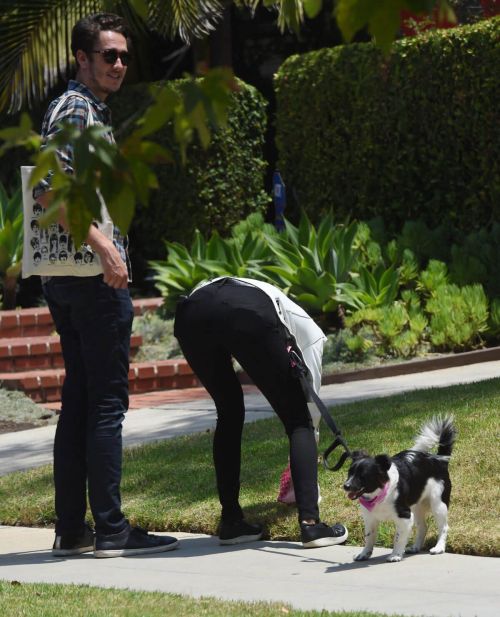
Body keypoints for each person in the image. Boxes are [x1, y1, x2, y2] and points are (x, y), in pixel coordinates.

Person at [34, 13, 178, 558]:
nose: (118, 64)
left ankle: (73, 530)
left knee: (80, 402)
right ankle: (113, 529)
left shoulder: (87, 109)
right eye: (107, 55)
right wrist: (104, 245)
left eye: (123, 56)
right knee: (105, 405)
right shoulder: (75, 109)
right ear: (82, 59)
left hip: (70, 280)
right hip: (92, 281)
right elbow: (48, 189)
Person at [174, 276, 348, 548]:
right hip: (245, 312)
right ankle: (312, 526)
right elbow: (309, 397)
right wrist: (310, 429)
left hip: (191, 314)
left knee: (229, 412)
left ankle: (231, 521)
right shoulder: (310, 332)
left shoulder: (264, 296)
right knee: (298, 419)